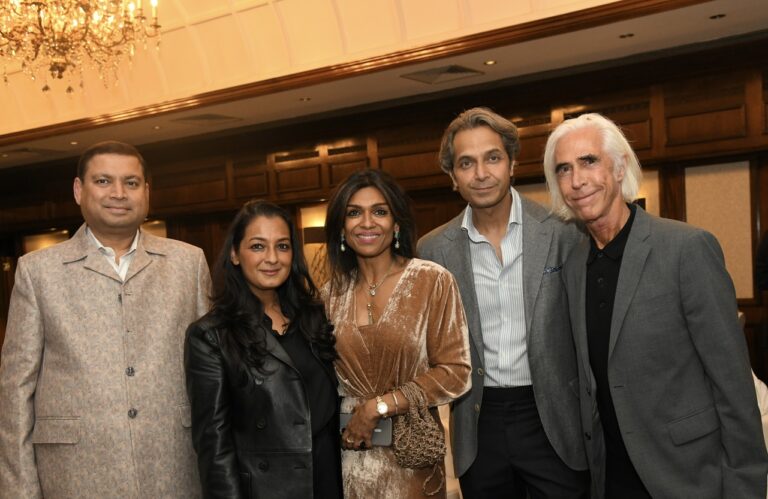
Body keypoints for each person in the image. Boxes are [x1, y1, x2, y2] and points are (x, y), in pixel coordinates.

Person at [543, 112, 768, 498]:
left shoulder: (686, 249)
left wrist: (745, 487)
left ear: (619, 168)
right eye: (563, 169)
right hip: (611, 478)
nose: (577, 180)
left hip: (688, 476)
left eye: (589, 161)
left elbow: (734, 386)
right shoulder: (574, 265)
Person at [0, 141, 211, 498]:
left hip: (175, 466)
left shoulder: (188, 263)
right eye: (103, 181)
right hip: (74, 473)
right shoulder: (38, 271)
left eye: (131, 183)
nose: (118, 193)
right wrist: (19, 491)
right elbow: (15, 390)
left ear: (146, 193)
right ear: (79, 190)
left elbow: (212, 373)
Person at [418, 107, 589, 498]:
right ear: (452, 177)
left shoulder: (563, 232)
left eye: (492, 158)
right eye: (466, 163)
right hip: (479, 422)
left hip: (553, 419)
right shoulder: (433, 250)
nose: (481, 173)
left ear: (512, 164)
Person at [323, 169, 471, 498]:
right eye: (353, 213)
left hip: (411, 457)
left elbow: (456, 373)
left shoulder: (432, 280)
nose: (367, 222)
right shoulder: (328, 296)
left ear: (397, 224)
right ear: (342, 229)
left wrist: (379, 406)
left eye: (379, 211)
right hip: (350, 458)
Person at [185, 200, 341, 498]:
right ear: (234, 253)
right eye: (258, 246)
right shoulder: (211, 335)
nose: (272, 258)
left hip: (327, 478)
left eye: (282, 246)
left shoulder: (313, 317)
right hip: (269, 489)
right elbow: (214, 446)